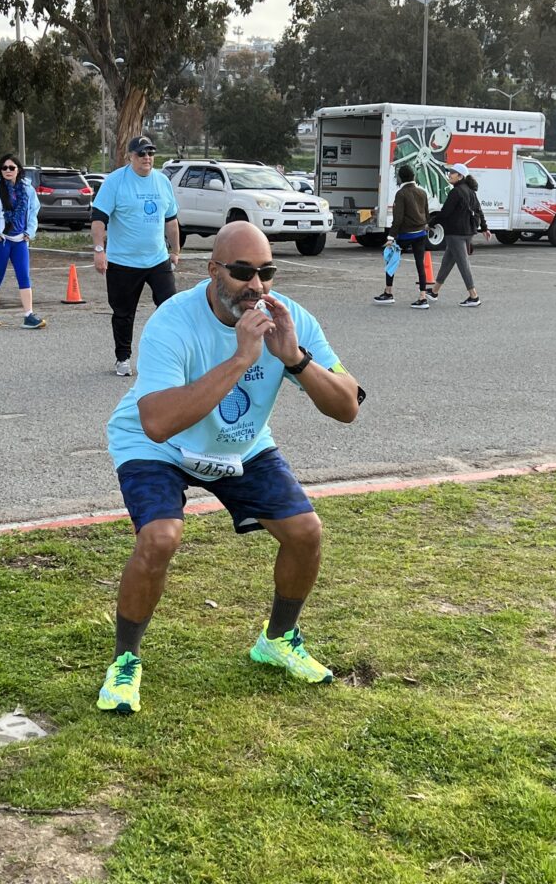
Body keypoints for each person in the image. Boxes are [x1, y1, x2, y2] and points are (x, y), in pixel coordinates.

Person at [96, 222, 365, 714]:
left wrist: (296, 360)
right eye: (243, 272)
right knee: (160, 537)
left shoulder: (289, 319)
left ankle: (278, 640)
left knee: (305, 532)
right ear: (214, 270)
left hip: (239, 443)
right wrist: (243, 359)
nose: (256, 286)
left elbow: (348, 406)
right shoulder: (173, 321)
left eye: (266, 272)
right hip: (159, 445)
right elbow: (155, 422)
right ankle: (124, 662)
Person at [91, 135, 180, 376]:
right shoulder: (116, 181)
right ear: (130, 156)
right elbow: (99, 219)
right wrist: (100, 251)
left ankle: (167, 356)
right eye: (141, 153)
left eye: (150, 153)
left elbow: (171, 221)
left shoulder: (162, 182)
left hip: (157, 259)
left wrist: (175, 251)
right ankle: (123, 358)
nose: (147, 158)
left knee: (169, 307)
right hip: (123, 261)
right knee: (123, 313)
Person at [0, 154, 46, 329]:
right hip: (1, 239)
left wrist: (29, 232)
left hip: (20, 239)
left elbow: (33, 213)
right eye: (4, 168)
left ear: (18, 170)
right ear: (0, 170)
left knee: (24, 275)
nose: (8, 171)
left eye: (11, 167)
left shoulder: (27, 189)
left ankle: (28, 314)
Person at [427, 163, 491, 307]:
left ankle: (474, 296)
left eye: (452, 173)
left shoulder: (456, 192)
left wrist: (430, 223)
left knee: (463, 264)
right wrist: (485, 228)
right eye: (449, 172)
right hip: (467, 232)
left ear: (460, 176)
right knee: (447, 262)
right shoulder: (470, 191)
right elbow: (479, 211)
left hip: (456, 233)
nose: (449, 175)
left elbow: (445, 213)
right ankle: (434, 292)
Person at [373, 165, 431, 309]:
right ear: (414, 177)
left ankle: (388, 292)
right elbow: (427, 213)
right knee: (420, 264)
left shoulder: (401, 194)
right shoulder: (422, 192)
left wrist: (391, 237)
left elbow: (398, 219)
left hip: (405, 234)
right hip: (421, 233)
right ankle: (422, 296)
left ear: (400, 178)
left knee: (391, 259)